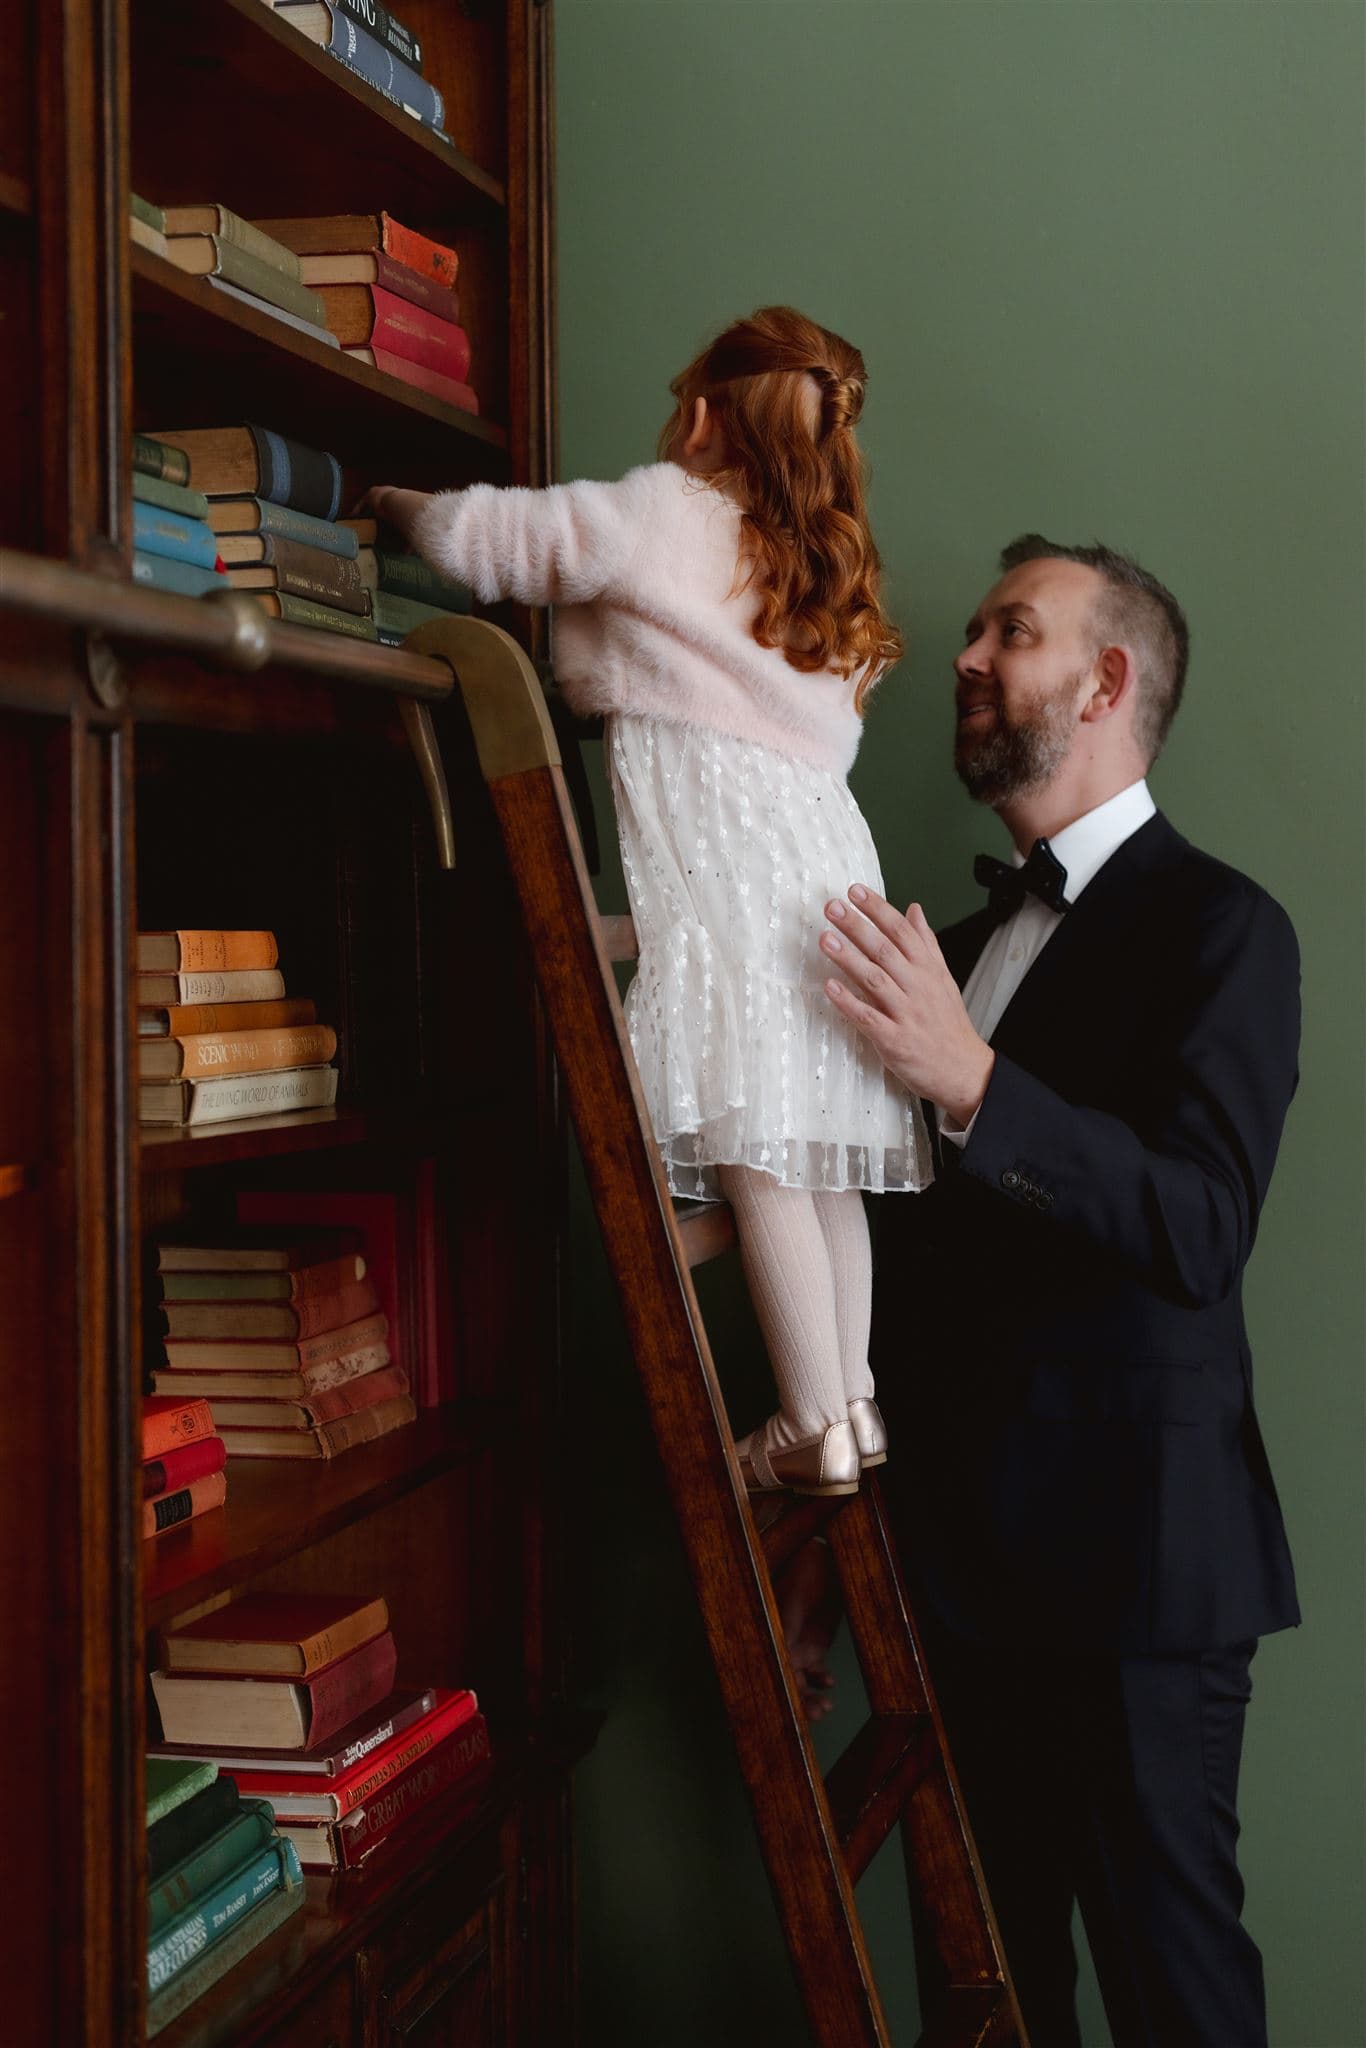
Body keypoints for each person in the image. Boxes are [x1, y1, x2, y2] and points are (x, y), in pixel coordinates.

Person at [816, 534, 1300, 2046]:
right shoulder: (946, 951)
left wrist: (970, 1083)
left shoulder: (1229, 930)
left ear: (1103, 683)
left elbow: (1201, 1224)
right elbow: (897, 1265)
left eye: (1004, 631)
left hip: (1139, 1589)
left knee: (1174, 1999)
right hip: (951, 1585)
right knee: (989, 1996)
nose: (963, 657)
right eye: (970, 632)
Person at [364, 307, 932, 1497]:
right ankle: (856, 1400)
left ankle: (808, 1416)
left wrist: (395, 507)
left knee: (755, 1152)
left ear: (704, 411)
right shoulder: (819, 565)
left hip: (736, 880)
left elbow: (497, 541)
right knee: (817, 1152)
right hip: (830, 865)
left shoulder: (666, 514)